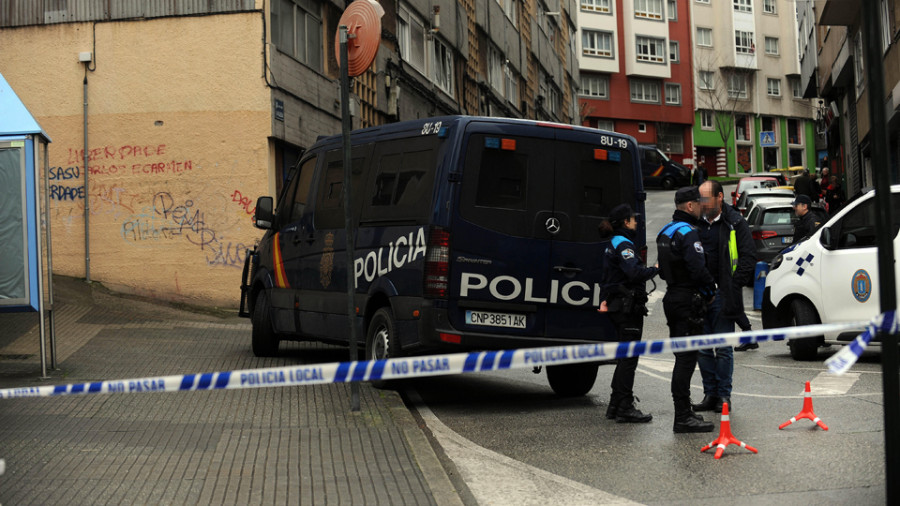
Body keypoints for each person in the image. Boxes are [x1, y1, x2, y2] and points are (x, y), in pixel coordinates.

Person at [657, 187, 717, 433]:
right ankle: (682, 416)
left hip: (673, 297)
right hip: (687, 300)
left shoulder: (665, 230)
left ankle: (685, 411)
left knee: (682, 358)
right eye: (698, 202)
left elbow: (662, 269)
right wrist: (711, 290)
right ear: (690, 206)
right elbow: (697, 268)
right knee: (686, 360)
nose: (703, 206)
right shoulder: (688, 232)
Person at [694, 181, 756, 408]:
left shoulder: (735, 223)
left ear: (719, 197)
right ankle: (710, 394)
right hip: (699, 295)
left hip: (722, 295)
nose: (701, 203)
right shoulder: (696, 223)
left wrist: (732, 285)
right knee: (702, 349)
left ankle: (723, 396)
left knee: (722, 349)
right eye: (699, 199)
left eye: (705, 198)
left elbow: (748, 258)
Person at [598, 204, 659, 423]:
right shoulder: (623, 244)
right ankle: (624, 406)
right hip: (626, 307)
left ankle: (615, 405)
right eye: (633, 219)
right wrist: (656, 268)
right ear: (626, 222)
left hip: (618, 305)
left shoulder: (614, 242)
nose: (636, 222)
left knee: (625, 357)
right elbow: (634, 272)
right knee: (629, 359)